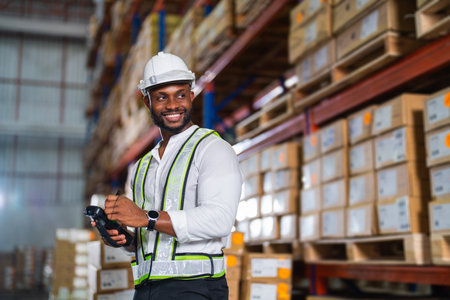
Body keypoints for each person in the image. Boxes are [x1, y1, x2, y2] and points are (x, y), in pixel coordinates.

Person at [95, 52, 243, 300]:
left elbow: (220, 219)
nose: (173, 105)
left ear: (191, 96)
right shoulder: (140, 168)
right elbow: (143, 237)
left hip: (197, 290)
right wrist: (121, 236)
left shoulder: (212, 148)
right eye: (162, 97)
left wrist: (145, 217)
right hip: (146, 290)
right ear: (147, 102)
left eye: (181, 95)